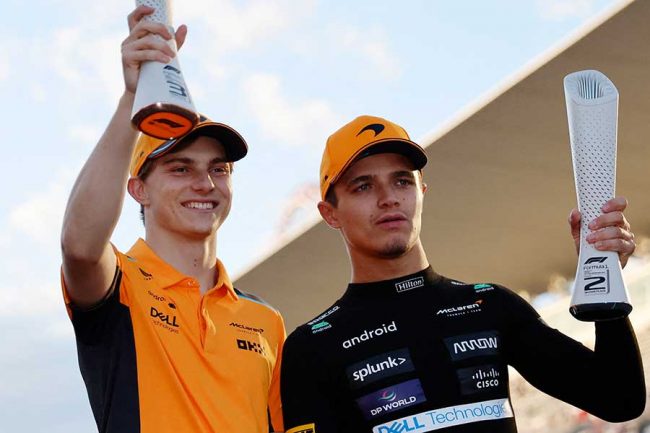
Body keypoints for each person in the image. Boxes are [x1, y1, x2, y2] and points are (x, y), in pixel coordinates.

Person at [280, 115, 645, 433]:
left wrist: (603, 274)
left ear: (422, 192)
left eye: (402, 181)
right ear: (330, 213)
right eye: (363, 186)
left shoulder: (489, 305)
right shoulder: (311, 347)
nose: (388, 197)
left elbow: (619, 399)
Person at [60, 6, 284, 433]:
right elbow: (79, 247)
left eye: (219, 169)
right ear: (138, 190)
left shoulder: (266, 320)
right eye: (181, 169)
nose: (205, 183)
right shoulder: (120, 284)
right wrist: (131, 99)